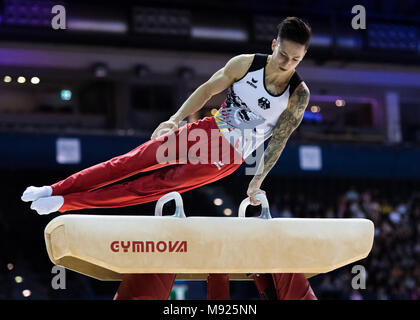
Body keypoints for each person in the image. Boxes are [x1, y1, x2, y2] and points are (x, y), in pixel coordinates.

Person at [21, 17, 316, 300]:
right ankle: (55, 189)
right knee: (131, 161)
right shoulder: (245, 64)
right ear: (274, 43)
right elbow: (206, 90)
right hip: (206, 130)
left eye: (295, 60)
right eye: (284, 54)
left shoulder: (298, 95)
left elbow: (278, 140)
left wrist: (257, 182)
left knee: (150, 187)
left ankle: (65, 203)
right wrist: (175, 120)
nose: (287, 63)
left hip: (226, 157)